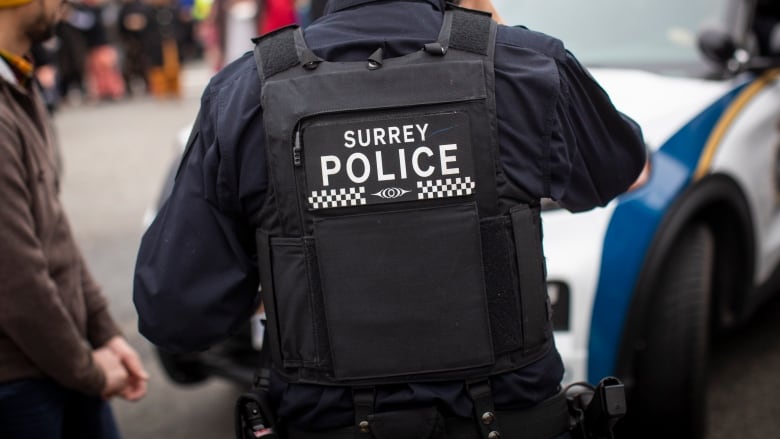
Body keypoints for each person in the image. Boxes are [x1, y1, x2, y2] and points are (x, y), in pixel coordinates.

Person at [134, 1, 646, 438]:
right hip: (507, 420)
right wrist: (491, 29)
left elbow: (176, 312)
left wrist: (282, 265)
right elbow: (616, 170)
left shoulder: (244, 93)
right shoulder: (523, 66)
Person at [0, 0, 149, 437]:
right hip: (18, 385)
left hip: (59, 362)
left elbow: (51, 225)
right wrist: (89, 370)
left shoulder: (15, 79)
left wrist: (103, 330)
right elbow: (14, 277)